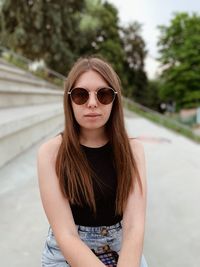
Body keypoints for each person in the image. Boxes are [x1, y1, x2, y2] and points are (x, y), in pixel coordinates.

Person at [37, 56, 148, 267]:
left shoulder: (133, 150)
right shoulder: (51, 153)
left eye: (104, 94)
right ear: (69, 100)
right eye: (80, 95)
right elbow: (66, 234)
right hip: (66, 251)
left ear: (115, 100)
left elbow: (134, 226)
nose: (92, 103)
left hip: (119, 244)